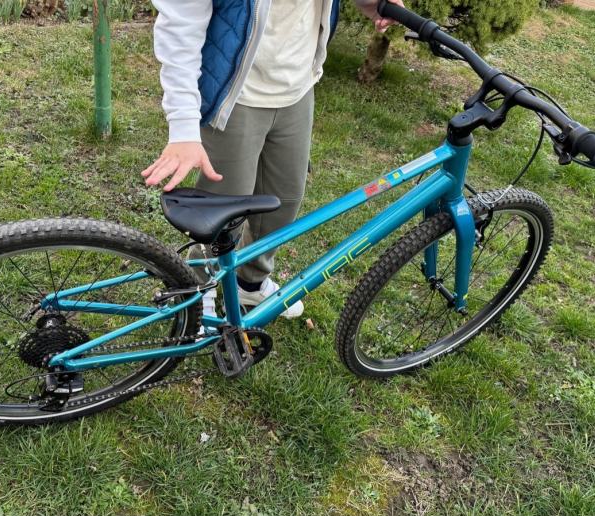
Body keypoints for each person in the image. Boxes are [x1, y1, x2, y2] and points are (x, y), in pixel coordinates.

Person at [141, 0, 404, 320]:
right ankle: (198, 289)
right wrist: (183, 126)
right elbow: (180, 23)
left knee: (283, 203)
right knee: (222, 210)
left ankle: (249, 284)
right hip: (236, 94)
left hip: (296, 89)